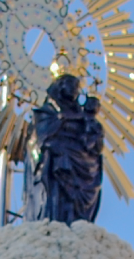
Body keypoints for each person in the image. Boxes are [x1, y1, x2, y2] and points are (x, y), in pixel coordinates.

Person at [31, 70, 105, 224]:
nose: (74, 90)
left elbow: (94, 142)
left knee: (83, 184)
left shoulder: (82, 114)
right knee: (59, 188)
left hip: (82, 159)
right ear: (60, 87)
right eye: (71, 85)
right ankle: (57, 219)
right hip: (60, 154)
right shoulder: (48, 111)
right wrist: (62, 121)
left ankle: (78, 220)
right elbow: (43, 135)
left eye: (77, 88)